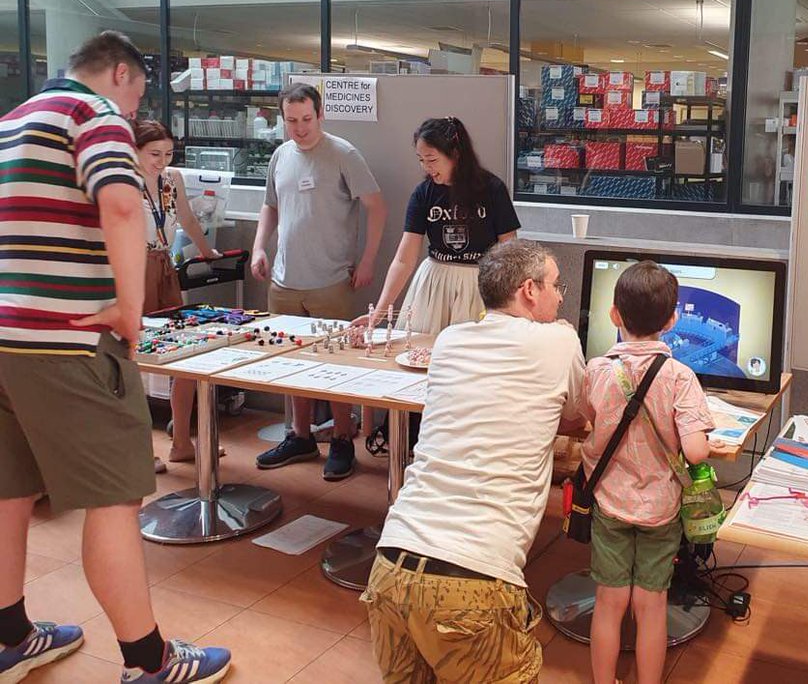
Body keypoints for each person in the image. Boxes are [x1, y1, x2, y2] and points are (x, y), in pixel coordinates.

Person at [0, 31, 230, 683]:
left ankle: (10, 638)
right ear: (121, 74)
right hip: (68, 341)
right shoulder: (91, 115)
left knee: (9, 492)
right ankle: (149, 661)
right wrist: (130, 313)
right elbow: (124, 206)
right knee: (115, 503)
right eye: (137, 95)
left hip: (5, 337)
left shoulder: (12, 122)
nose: (133, 110)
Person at [361, 240, 585, 684]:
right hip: (473, 581)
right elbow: (577, 418)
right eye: (557, 286)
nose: (561, 297)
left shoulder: (450, 339)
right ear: (528, 290)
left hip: (391, 564)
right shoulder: (560, 341)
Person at [579, 261, 713, 684]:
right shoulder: (681, 377)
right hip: (660, 510)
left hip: (610, 504)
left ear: (614, 314)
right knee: (651, 605)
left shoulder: (597, 370)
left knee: (609, 600)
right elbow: (695, 451)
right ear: (673, 320)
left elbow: (586, 418)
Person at [251, 82, 386, 481]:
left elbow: (377, 208)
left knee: (336, 363)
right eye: (291, 121)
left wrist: (367, 260)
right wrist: (260, 247)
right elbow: (270, 206)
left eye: (306, 119)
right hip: (285, 279)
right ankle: (300, 434)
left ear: (320, 115)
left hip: (330, 278)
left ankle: (344, 436)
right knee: (293, 363)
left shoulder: (343, 154)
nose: (300, 128)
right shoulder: (280, 155)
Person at [360, 116, 520, 335]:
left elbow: (509, 252)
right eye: (421, 160)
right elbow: (403, 259)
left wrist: (512, 305)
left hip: (480, 284)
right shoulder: (423, 193)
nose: (427, 167)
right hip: (434, 285)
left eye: (432, 160)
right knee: (422, 351)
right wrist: (378, 313)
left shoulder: (492, 189)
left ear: (455, 154)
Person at [132, 120, 223, 472]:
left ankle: (182, 440)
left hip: (165, 266)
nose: (161, 161)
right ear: (135, 150)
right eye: (154, 154)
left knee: (184, 354)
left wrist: (206, 251)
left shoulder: (172, 179)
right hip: (133, 266)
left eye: (168, 153)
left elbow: (185, 216)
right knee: (135, 360)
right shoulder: (122, 180)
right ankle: (142, 451)